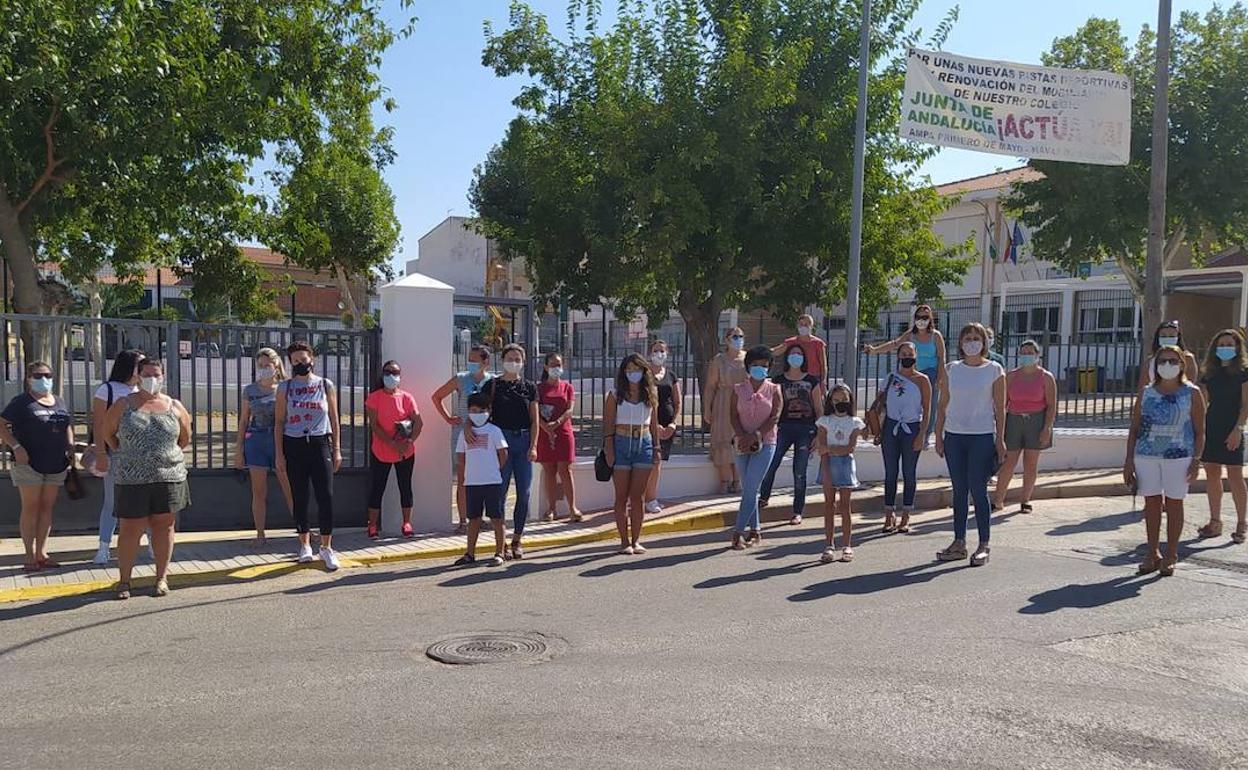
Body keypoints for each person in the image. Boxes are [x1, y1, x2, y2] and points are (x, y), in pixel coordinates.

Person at [101, 359, 191, 599]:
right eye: (147, 374)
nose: (153, 378)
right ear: (138, 377)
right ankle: (124, 581)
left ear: (163, 377)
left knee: (164, 526)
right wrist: (126, 452)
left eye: (157, 374)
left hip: (168, 476)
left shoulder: (174, 405)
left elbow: (185, 438)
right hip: (131, 478)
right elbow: (107, 433)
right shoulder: (123, 404)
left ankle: (161, 578)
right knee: (131, 528)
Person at [1125, 345, 1206, 576]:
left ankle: (1171, 553)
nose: (1167, 365)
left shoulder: (1192, 393)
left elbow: (1200, 431)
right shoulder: (1146, 392)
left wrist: (1196, 459)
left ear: (1181, 364)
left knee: (1174, 503)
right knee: (1151, 503)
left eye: (1172, 361)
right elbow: (1135, 428)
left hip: (1179, 456)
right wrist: (1129, 460)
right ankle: (1152, 553)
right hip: (1147, 455)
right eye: (1162, 361)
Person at [934, 322, 1006, 567]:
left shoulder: (994, 370)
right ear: (961, 343)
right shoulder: (952, 369)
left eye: (977, 337)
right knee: (959, 490)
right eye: (968, 338)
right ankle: (959, 542)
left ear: (984, 342)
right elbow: (943, 403)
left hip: (982, 435)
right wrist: (938, 433)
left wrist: (1001, 440)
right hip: (955, 435)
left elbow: (1000, 408)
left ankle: (984, 543)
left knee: (978, 488)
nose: (972, 342)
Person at [274, 341, 342, 571]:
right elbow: (279, 421)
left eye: (304, 360)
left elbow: (334, 418)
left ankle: (326, 546)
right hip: (294, 443)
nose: (300, 364)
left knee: (326, 495)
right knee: (300, 496)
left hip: (320, 441)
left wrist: (337, 449)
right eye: (295, 361)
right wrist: (279, 454)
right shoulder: (285, 388)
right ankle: (304, 544)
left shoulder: (325, 384)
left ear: (312, 359)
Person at [0, 362, 74, 572]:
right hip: (28, 463)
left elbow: (66, 424)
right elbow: (1, 424)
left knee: (46, 507)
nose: (44, 379)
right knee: (31, 507)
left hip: (55, 462)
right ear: (29, 378)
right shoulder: (21, 402)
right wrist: (16, 446)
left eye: (47, 374)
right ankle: (29, 554)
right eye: (38, 375)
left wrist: (70, 446)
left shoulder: (58, 400)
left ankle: (42, 552)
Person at [480, 343, 539, 559]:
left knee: (523, 492)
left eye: (518, 359)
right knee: (500, 493)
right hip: (500, 442)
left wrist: (533, 446)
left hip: (523, 440)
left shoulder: (530, 387)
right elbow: (479, 411)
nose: (513, 362)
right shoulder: (492, 385)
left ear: (523, 363)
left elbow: (535, 420)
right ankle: (501, 541)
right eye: (510, 358)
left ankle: (517, 539)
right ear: (502, 359)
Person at [232, 347, 293, 547]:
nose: (264, 369)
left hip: (281, 442)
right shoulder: (250, 390)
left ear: (276, 366)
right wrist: (239, 449)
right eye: (261, 366)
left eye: (268, 365)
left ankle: (304, 530)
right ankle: (260, 534)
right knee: (259, 491)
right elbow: (243, 421)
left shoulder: (286, 387)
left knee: (290, 488)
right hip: (256, 441)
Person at [758, 343, 823, 525]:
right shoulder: (778, 381)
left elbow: (819, 409)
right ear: (786, 357)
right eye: (792, 353)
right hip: (783, 427)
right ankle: (763, 498)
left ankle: (797, 510)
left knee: (799, 471)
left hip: (806, 429)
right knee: (772, 462)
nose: (796, 356)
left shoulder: (811, 381)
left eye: (799, 354)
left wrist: (818, 435)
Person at [90, 349, 144, 565]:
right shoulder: (108, 389)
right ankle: (103, 547)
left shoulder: (142, 390)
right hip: (116, 452)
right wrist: (102, 453)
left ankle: (151, 544)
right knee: (113, 501)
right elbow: (99, 423)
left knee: (145, 500)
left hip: (142, 454)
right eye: (138, 365)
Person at [432, 344, 494, 532]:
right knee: (462, 477)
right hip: (462, 433)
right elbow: (437, 396)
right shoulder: (460, 379)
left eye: (475, 360)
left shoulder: (492, 381)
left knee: (482, 476)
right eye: (470, 359)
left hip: (485, 433)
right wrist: (448, 418)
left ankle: (479, 516)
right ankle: (463, 520)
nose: (471, 363)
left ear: (486, 362)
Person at [604, 353, 661, 554]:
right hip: (621, 443)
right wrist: (609, 449)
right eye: (628, 370)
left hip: (643, 443)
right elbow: (608, 424)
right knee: (621, 496)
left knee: (638, 496)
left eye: (636, 369)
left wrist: (656, 448)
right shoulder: (614, 394)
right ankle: (623, 541)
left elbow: (654, 424)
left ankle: (636, 540)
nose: (632, 373)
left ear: (643, 371)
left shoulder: (651, 393)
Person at [863, 304, 947, 439]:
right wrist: (874, 350)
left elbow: (941, 358)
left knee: (929, 404)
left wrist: (940, 378)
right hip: (912, 372)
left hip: (931, 373)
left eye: (925, 317)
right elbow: (895, 344)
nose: (921, 320)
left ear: (930, 319)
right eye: (919, 317)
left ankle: (926, 433)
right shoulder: (910, 335)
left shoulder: (936, 336)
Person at [993, 340, 1057, 513]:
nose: (1027, 356)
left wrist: (1047, 427)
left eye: (1030, 353)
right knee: (1009, 461)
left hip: (1036, 422)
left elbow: (1051, 405)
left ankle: (1025, 500)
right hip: (1014, 420)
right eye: (1023, 353)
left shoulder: (1046, 377)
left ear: (1037, 355)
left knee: (1031, 463)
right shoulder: (1011, 376)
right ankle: (998, 499)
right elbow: (1002, 403)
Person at [728, 346, 782, 550]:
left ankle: (738, 531)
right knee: (750, 488)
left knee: (751, 487)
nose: (759, 368)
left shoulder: (774, 389)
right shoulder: (738, 389)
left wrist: (756, 435)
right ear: (748, 366)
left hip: (765, 442)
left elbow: (775, 416)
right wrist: (742, 435)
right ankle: (755, 529)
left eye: (764, 365)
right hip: (741, 442)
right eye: (755, 365)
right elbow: (733, 414)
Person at [1197, 329, 1248, 544]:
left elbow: (1246, 404)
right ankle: (1215, 521)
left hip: (1233, 426)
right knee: (1212, 473)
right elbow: (1202, 402)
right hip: (1212, 426)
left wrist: (1238, 428)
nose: (1225, 348)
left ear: (1237, 347)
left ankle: (1241, 523)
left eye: (1230, 344)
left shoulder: (1244, 371)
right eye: (1222, 344)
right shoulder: (1209, 372)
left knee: (1235, 475)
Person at [875, 341, 931, 534]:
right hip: (891, 427)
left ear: (916, 355)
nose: (907, 356)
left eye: (910, 353)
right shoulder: (890, 378)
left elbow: (927, 409)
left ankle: (906, 514)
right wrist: (875, 427)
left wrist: (922, 434)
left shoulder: (923, 380)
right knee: (890, 472)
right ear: (898, 356)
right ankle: (889, 513)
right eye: (903, 353)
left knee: (909, 472)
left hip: (912, 428)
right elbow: (879, 403)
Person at [364, 360, 422, 539]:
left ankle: (406, 523)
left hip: (405, 451)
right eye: (388, 372)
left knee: (405, 486)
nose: (392, 376)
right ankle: (372, 525)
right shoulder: (374, 398)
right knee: (377, 487)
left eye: (395, 373)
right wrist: (391, 443)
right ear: (383, 375)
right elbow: (375, 425)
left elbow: (418, 421)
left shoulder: (407, 397)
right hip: (381, 450)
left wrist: (409, 441)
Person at [453, 392, 509, 567]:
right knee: (474, 519)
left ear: (488, 411)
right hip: (472, 482)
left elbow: (503, 454)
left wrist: (493, 469)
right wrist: (470, 471)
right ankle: (470, 553)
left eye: (480, 410)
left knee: (496, 518)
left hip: (492, 482)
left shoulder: (494, 431)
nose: (476, 414)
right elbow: (460, 456)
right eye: (472, 410)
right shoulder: (465, 434)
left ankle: (499, 552)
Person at [817, 384, 865, 563]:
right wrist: (831, 452)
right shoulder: (825, 421)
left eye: (844, 400)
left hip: (845, 465)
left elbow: (849, 448)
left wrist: (831, 449)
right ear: (830, 401)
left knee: (845, 506)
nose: (840, 403)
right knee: (829, 505)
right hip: (828, 465)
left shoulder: (854, 422)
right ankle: (829, 545)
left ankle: (847, 545)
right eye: (836, 400)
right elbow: (821, 447)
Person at [536, 351, 582, 522]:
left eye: (559, 365)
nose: (556, 368)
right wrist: (544, 426)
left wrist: (557, 423)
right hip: (544, 433)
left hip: (563, 432)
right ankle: (551, 508)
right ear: (546, 366)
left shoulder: (567, 387)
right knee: (549, 470)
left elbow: (570, 409)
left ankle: (573, 508)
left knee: (565, 470)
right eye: (553, 364)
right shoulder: (539, 388)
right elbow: (533, 410)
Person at [705, 326, 747, 494]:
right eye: (735, 336)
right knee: (722, 440)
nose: (738, 339)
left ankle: (738, 480)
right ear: (727, 339)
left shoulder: (748, 358)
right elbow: (710, 387)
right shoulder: (719, 360)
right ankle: (724, 479)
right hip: (723, 403)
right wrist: (707, 409)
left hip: (742, 402)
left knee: (739, 441)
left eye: (740, 336)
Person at [645, 339, 681, 513]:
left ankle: (651, 496)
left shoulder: (671, 375)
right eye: (655, 350)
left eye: (662, 351)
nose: (659, 354)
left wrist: (673, 423)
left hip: (668, 427)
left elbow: (677, 401)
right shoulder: (646, 374)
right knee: (653, 461)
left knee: (658, 462)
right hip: (650, 425)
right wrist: (655, 425)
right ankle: (649, 499)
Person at [1138, 320, 1200, 387]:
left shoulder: (1187, 358)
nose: (1167, 338)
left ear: (1178, 338)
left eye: (1171, 336)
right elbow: (1142, 386)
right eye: (1163, 336)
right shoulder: (1150, 361)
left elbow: (1190, 383)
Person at [771, 313, 828, 381]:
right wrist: (762, 351)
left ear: (811, 326)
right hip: (796, 378)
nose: (803, 327)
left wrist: (823, 382)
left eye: (806, 325)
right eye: (801, 324)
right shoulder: (791, 342)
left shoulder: (818, 343)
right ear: (797, 326)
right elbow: (777, 351)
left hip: (814, 379)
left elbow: (823, 365)